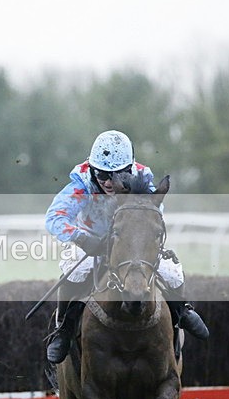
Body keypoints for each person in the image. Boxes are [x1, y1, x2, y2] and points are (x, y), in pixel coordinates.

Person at [44, 129, 209, 364]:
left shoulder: (141, 180)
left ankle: (181, 310)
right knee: (75, 269)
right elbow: (54, 218)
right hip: (91, 243)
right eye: (102, 174)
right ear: (92, 169)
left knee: (172, 273)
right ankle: (64, 328)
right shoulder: (81, 184)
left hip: (132, 245)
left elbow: (155, 213)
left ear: (129, 170)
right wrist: (82, 238)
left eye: (118, 174)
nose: (109, 182)